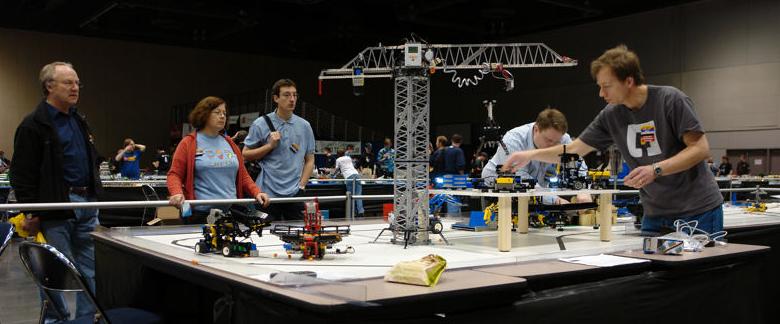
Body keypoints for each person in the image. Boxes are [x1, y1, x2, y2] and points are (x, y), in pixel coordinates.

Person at [504, 45, 723, 235]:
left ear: (628, 81)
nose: (601, 93)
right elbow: (573, 150)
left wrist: (655, 169)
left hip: (697, 211)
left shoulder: (670, 100)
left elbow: (700, 149)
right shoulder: (611, 115)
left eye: (606, 86)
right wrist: (529, 155)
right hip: (655, 213)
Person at [11, 61, 102, 321]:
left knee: (90, 269)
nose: (75, 88)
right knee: (54, 272)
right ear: (49, 86)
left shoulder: (79, 121)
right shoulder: (33, 125)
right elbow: (22, 173)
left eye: (77, 83)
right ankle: (55, 320)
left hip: (87, 203)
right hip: (57, 206)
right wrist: (31, 211)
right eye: (68, 82)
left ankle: (87, 319)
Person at [167, 96, 269, 224]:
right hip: (200, 215)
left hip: (230, 213)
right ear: (204, 115)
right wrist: (176, 193)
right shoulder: (188, 143)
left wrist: (257, 192)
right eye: (217, 112)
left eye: (224, 113)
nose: (222, 116)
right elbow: (174, 174)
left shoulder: (230, 144)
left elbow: (243, 176)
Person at [243, 79, 315, 220]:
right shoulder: (260, 124)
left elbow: (309, 160)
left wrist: (301, 187)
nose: (292, 99)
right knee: (264, 236)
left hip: (294, 194)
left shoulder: (305, 126)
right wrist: (269, 146)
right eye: (286, 95)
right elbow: (244, 154)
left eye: (294, 95)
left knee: (298, 236)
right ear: (276, 98)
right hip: (266, 194)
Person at [482, 108, 588, 204]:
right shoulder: (513, 139)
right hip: (498, 190)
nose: (553, 146)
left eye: (557, 142)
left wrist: (583, 191)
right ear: (536, 129)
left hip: (537, 193)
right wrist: (555, 200)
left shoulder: (561, 138)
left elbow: (578, 165)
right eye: (549, 140)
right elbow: (520, 178)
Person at [335, 148, 364, 217]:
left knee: (350, 196)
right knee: (358, 195)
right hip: (357, 175)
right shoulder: (348, 157)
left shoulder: (338, 160)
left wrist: (333, 175)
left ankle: (353, 212)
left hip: (349, 177)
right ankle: (360, 211)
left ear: (338, 154)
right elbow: (349, 166)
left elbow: (336, 170)